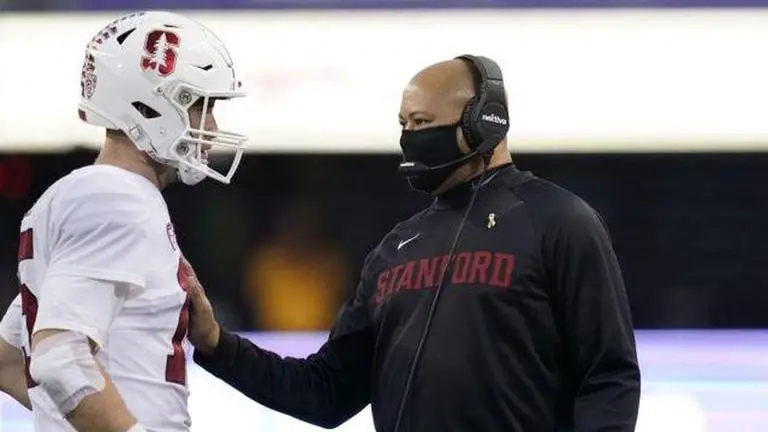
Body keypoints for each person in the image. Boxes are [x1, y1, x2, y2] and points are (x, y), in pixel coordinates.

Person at [186, 55, 640, 431]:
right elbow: (324, 392)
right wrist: (216, 344)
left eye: (422, 122)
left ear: (483, 122)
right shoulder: (395, 249)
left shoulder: (559, 220)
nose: (409, 137)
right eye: (404, 123)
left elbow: (609, 377)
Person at [0, 11, 247, 432]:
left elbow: (9, 361)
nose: (211, 126)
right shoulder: (115, 197)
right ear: (149, 106)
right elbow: (59, 359)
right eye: (198, 106)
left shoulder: (83, 194)